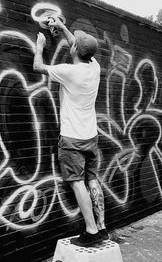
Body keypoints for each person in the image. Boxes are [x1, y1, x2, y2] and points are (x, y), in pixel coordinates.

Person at [33, 16, 108, 247]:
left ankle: (91, 230)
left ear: (75, 49)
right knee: (92, 179)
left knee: (76, 182)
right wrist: (63, 27)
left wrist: (39, 47)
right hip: (90, 136)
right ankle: (102, 226)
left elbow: (38, 67)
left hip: (72, 138)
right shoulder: (94, 67)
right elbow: (77, 46)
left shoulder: (68, 71)